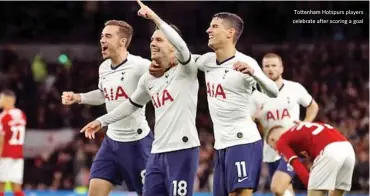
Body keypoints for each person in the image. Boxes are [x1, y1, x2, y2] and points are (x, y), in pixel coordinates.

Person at [80, 1, 200, 195]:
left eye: (159, 40)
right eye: (152, 40)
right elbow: (130, 104)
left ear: (173, 46)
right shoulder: (149, 79)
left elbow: (182, 48)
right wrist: (101, 121)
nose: (153, 43)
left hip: (182, 150)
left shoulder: (186, 70)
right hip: (157, 152)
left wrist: (154, 18)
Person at [61, 20, 153, 196]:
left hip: (138, 143)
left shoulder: (140, 65)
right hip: (111, 143)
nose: (102, 40)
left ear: (122, 41)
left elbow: (160, 82)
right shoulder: (104, 67)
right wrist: (78, 98)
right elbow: (104, 94)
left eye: (108, 36)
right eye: (102, 36)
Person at [194, 12, 279, 196]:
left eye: (215, 26)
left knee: (239, 194)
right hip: (221, 145)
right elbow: (183, 55)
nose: (208, 30)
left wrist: (254, 74)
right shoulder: (208, 61)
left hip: (243, 140)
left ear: (230, 33)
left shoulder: (246, 62)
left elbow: (273, 91)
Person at [249, 53, 319, 196]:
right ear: (262, 69)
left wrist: (305, 124)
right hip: (270, 149)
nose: (270, 69)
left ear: (281, 68)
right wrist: (254, 119)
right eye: (266, 66)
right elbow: (251, 122)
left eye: (274, 65)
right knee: (283, 189)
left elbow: (313, 106)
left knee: (278, 187)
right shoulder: (256, 96)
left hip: (292, 146)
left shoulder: (294, 88)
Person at [266, 122, 355, 196]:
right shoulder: (303, 128)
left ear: (273, 139)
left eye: (272, 147)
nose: (277, 151)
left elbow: (297, 166)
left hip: (329, 151)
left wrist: (311, 184)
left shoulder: (281, 141)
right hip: (348, 149)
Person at [0, 90, 27, 196]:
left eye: (1, 98)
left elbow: (1, 139)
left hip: (5, 154)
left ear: (8, 100)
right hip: (18, 154)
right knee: (16, 186)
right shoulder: (21, 114)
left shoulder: (3, 116)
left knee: (1, 184)